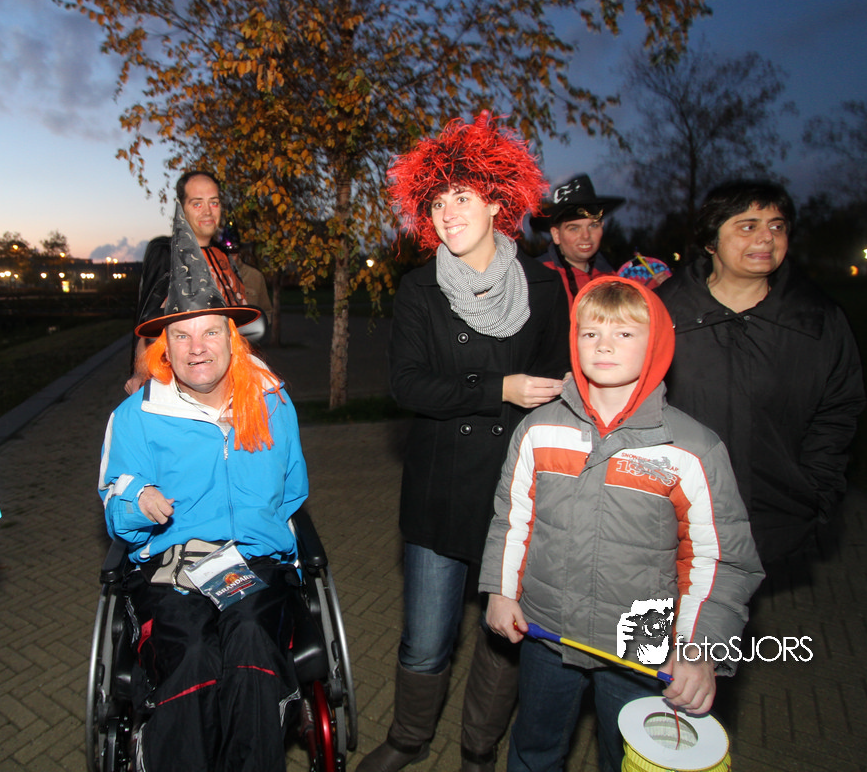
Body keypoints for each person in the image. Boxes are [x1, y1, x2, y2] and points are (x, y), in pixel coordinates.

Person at [358, 112, 571, 772]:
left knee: (503, 634)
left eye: (462, 197)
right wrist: (499, 388)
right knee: (427, 637)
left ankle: (479, 746)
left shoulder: (543, 286)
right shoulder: (419, 289)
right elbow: (408, 385)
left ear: (498, 201)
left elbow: (559, 388)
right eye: (437, 203)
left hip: (516, 491)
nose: (447, 213)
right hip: (439, 490)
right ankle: (409, 738)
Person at [480, 277, 763, 772]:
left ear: (656, 345)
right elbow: (512, 518)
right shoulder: (538, 429)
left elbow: (720, 561)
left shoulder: (691, 449)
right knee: (534, 747)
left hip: (640, 645)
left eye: (624, 333)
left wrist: (699, 651)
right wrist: (501, 593)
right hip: (548, 630)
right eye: (590, 333)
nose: (604, 345)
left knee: (627, 756)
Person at [100, 202, 309, 772]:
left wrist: (262, 532)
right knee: (192, 652)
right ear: (163, 348)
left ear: (232, 338)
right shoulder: (137, 416)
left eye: (211, 331)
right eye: (182, 334)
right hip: (171, 569)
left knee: (251, 642)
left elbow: (293, 490)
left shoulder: (272, 404)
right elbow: (116, 503)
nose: (198, 347)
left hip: (256, 564)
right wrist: (136, 500)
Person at [655, 180, 865, 568]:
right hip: (671, 521)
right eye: (748, 226)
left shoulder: (818, 320)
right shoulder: (659, 314)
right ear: (711, 241)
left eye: (777, 226)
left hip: (773, 522)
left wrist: (817, 494)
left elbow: (838, 413)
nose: (767, 238)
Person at [128, 169, 254, 392]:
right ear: (182, 208)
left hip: (233, 380)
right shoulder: (167, 251)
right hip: (181, 382)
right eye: (197, 203)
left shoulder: (224, 256)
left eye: (213, 202)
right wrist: (141, 374)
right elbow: (148, 322)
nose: (207, 211)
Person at [532, 173, 642, 305]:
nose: (586, 236)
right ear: (556, 234)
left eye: (593, 226)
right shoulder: (537, 278)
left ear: (602, 226)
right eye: (574, 228)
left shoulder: (612, 279)